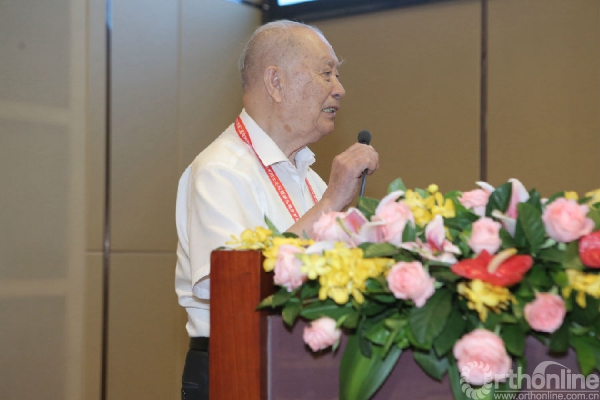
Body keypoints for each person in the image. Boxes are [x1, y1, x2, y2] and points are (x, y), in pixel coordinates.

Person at [175, 19, 379, 400]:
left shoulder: (309, 178)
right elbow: (234, 288)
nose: (340, 89)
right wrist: (330, 204)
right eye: (326, 73)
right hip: (237, 369)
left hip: (306, 369)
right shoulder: (220, 171)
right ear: (276, 82)